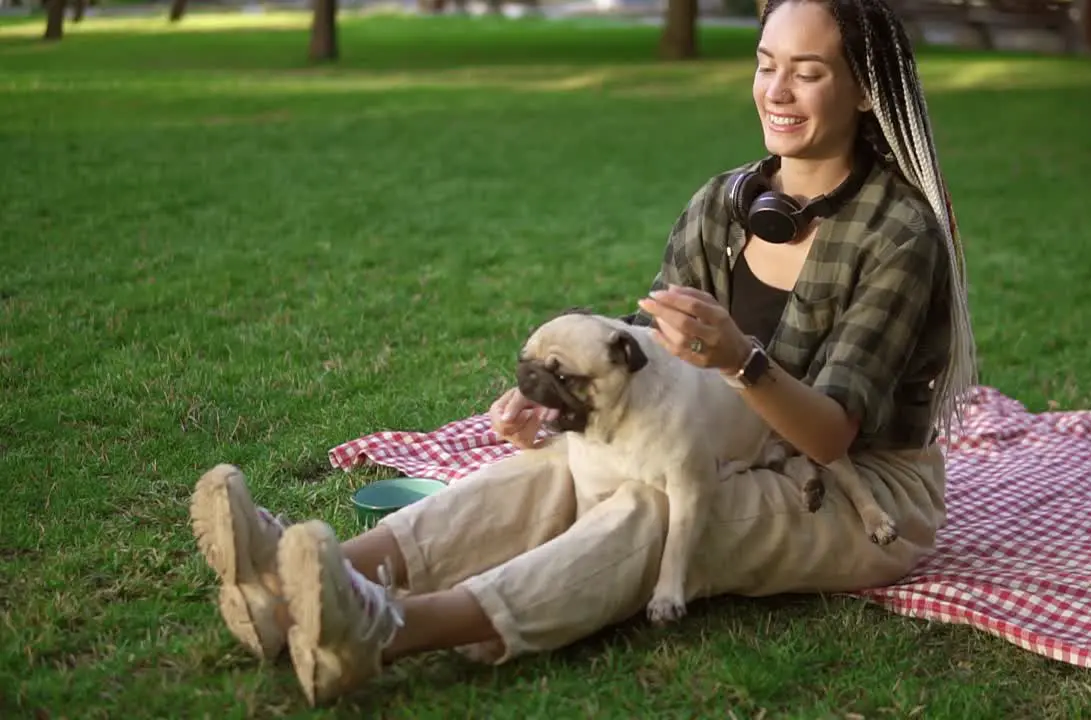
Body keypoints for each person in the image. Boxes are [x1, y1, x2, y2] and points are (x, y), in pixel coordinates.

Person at [187, 0, 978, 706]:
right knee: (554, 463)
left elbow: (833, 435)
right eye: (766, 65)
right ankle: (285, 592)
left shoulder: (899, 233)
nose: (776, 91)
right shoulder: (724, 201)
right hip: (723, 440)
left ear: (868, 90)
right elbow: (652, 358)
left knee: (656, 504)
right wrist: (562, 404)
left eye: (807, 73)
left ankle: (382, 627)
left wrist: (741, 360)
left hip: (852, 492)